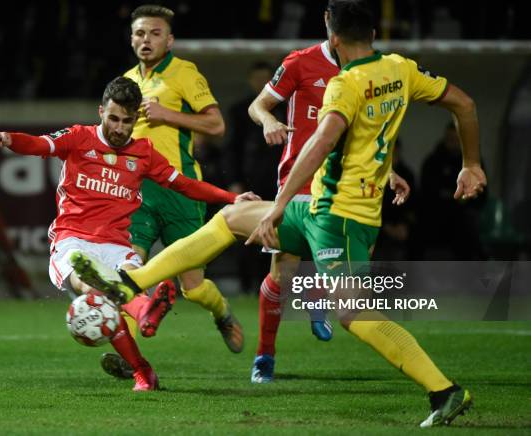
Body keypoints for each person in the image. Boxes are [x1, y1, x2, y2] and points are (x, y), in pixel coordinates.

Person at [72, 0, 486, 425]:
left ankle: (444, 390)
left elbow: (320, 144)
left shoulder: (344, 84)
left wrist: (279, 206)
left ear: (333, 34)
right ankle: (129, 285)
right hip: (326, 207)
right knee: (230, 218)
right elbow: (465, 105)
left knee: (355, 315)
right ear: (375, 35)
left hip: (336, 218)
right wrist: (471, 163)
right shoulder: (402, 68)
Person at [0, 76, 257, 391]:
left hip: (116, 245)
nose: (119, 127)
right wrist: (10, 139)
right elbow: (40, 144)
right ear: (101, 111)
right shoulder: (78, 137)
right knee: (92, 283)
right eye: (113, 118)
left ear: (135, 119)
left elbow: (184, 184)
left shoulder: (143, 152)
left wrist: (231, 198)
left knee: (109, 294)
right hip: (72, 239)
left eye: (127, 121)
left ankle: (144, 368)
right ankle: (143, 314)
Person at [121, 5, 245, 355]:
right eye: (140, 33)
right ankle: (132, 361)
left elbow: (216, 126)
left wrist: (167, 115)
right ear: (132, 39)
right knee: (130, 268)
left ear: (170, 39)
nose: (147, 40)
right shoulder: (127, 81)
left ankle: (221, 312)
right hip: (139, 191)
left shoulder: (185, 73)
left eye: (155, 33)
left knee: (192, 286)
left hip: (181, 191)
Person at [246, 35, 341, 383]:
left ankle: (317, 292)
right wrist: (269, 121)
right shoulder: (300, 62)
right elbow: (258, 105)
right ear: (329, 25)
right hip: (298, 181)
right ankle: (264, 356)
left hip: (344, 182)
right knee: (282, 273)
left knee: (350, 265)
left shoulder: (368, 70)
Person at [225, 61, 283, 294]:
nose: (261, 83)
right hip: (250, 183)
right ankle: (247, 286)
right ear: (250, 80)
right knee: (247, 235)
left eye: (265, 79)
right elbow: (232, 149)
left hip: (279, 183)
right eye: (257, 78)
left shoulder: (287, 108)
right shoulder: (241, 111)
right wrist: (234, 181)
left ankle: (272, 283)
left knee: (276, 235)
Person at [417, 122, 487, 260]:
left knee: (467, 227)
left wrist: (464, 198)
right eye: (450, 139)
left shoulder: (473, 163)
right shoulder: (432, 162)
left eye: (456, 140)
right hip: (436, 215)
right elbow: (427, 193)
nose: (453, 143)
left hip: (463, 215)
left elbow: (481, 193)